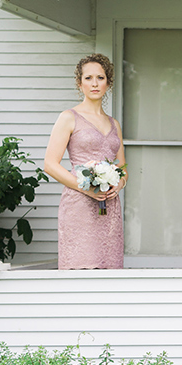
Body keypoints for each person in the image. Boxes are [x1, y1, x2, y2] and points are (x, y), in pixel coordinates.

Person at [43, 54, 126, 270]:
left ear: (108, 82)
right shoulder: (69, 117)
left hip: (110, 207)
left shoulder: (114, 123)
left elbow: (122, 167)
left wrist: (118, 184)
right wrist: (86, 188)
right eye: (88, 78)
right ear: (80, 83)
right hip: (79, 204)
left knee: (109, 269)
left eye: (100, 77)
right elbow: (50, 164)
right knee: (81, 267)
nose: (95, 83)